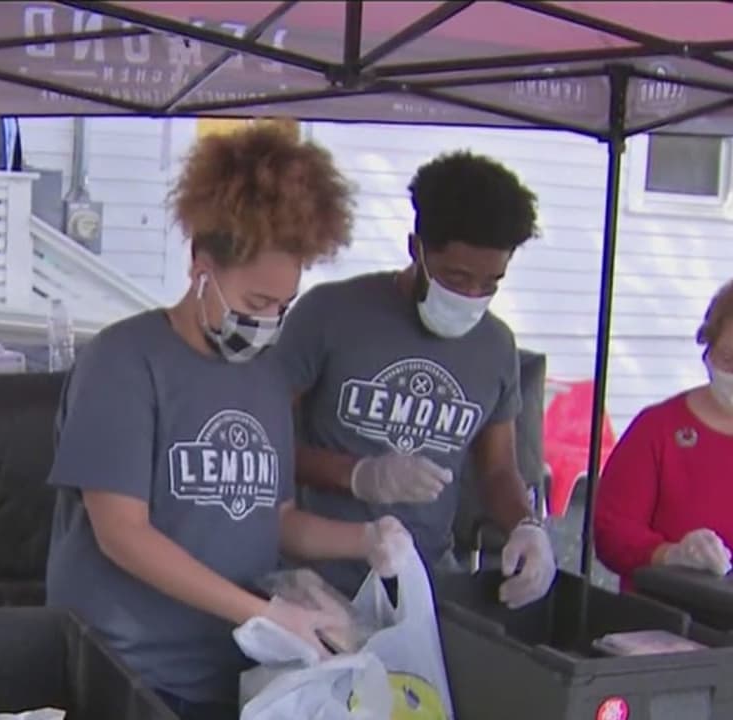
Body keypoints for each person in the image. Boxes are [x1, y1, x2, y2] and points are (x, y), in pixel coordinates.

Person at [44, 123, 415, 720]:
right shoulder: (124, 361)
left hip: (232, 670)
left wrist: (368, 540)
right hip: (128, 671)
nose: (266, 323)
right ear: (201, 262)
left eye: (282, 307)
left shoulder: (266, 378)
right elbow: (122, 533)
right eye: (254, 303)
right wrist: (263, 613)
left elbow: (278, 520)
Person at [272, 150, 557, 609]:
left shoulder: (495, 346)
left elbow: (498, 468)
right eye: (456, 278)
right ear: (416, 249)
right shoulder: (330, 314)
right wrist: (358, 475)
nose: (472, 294)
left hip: (425, 581)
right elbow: (263, 442)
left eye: (491, 282)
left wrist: (527, 527)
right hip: (319, 578)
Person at [594, 280, 733, 590]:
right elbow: (610, 530)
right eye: (729, 359)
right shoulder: (659, 428)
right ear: (708, 347)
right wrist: (669, 554)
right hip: (665, 610)